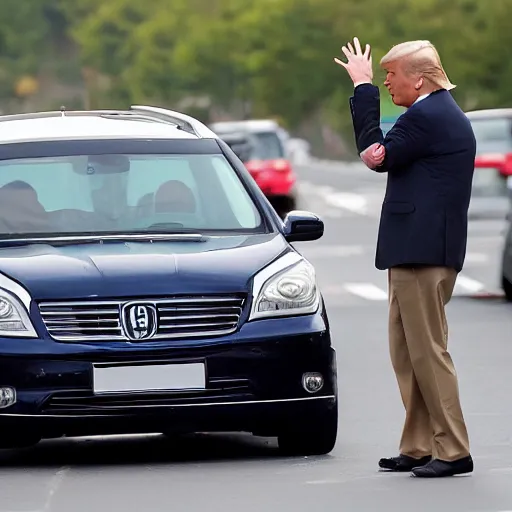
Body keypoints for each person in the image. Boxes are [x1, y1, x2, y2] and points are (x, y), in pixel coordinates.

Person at [334, 38, 475, 478]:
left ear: (419, 78)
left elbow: (374, 156)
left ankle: (452, 449)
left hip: (423, 252)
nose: (386, 80)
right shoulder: (433, 114)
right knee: (407, 353)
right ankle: (417, 444)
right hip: (415, 250)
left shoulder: (429, 116)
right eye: (381, 75)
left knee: (428, 353)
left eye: (391, 74)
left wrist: (361, 89)